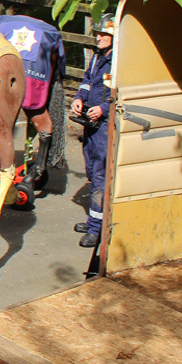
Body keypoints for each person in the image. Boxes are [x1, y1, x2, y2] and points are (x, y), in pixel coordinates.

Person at [73, 15, 114, 248]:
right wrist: (79, 98)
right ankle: (93, 220)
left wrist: (103, 108)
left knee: (99, 175)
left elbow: (119, 91)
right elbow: (87, 81)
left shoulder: (117, 61)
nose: (98, 37)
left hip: (104, 126)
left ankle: (97, 229)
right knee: (91, 170)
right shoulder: (98, 57)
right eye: (97, 33)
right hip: (90, 123)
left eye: (103, 34)